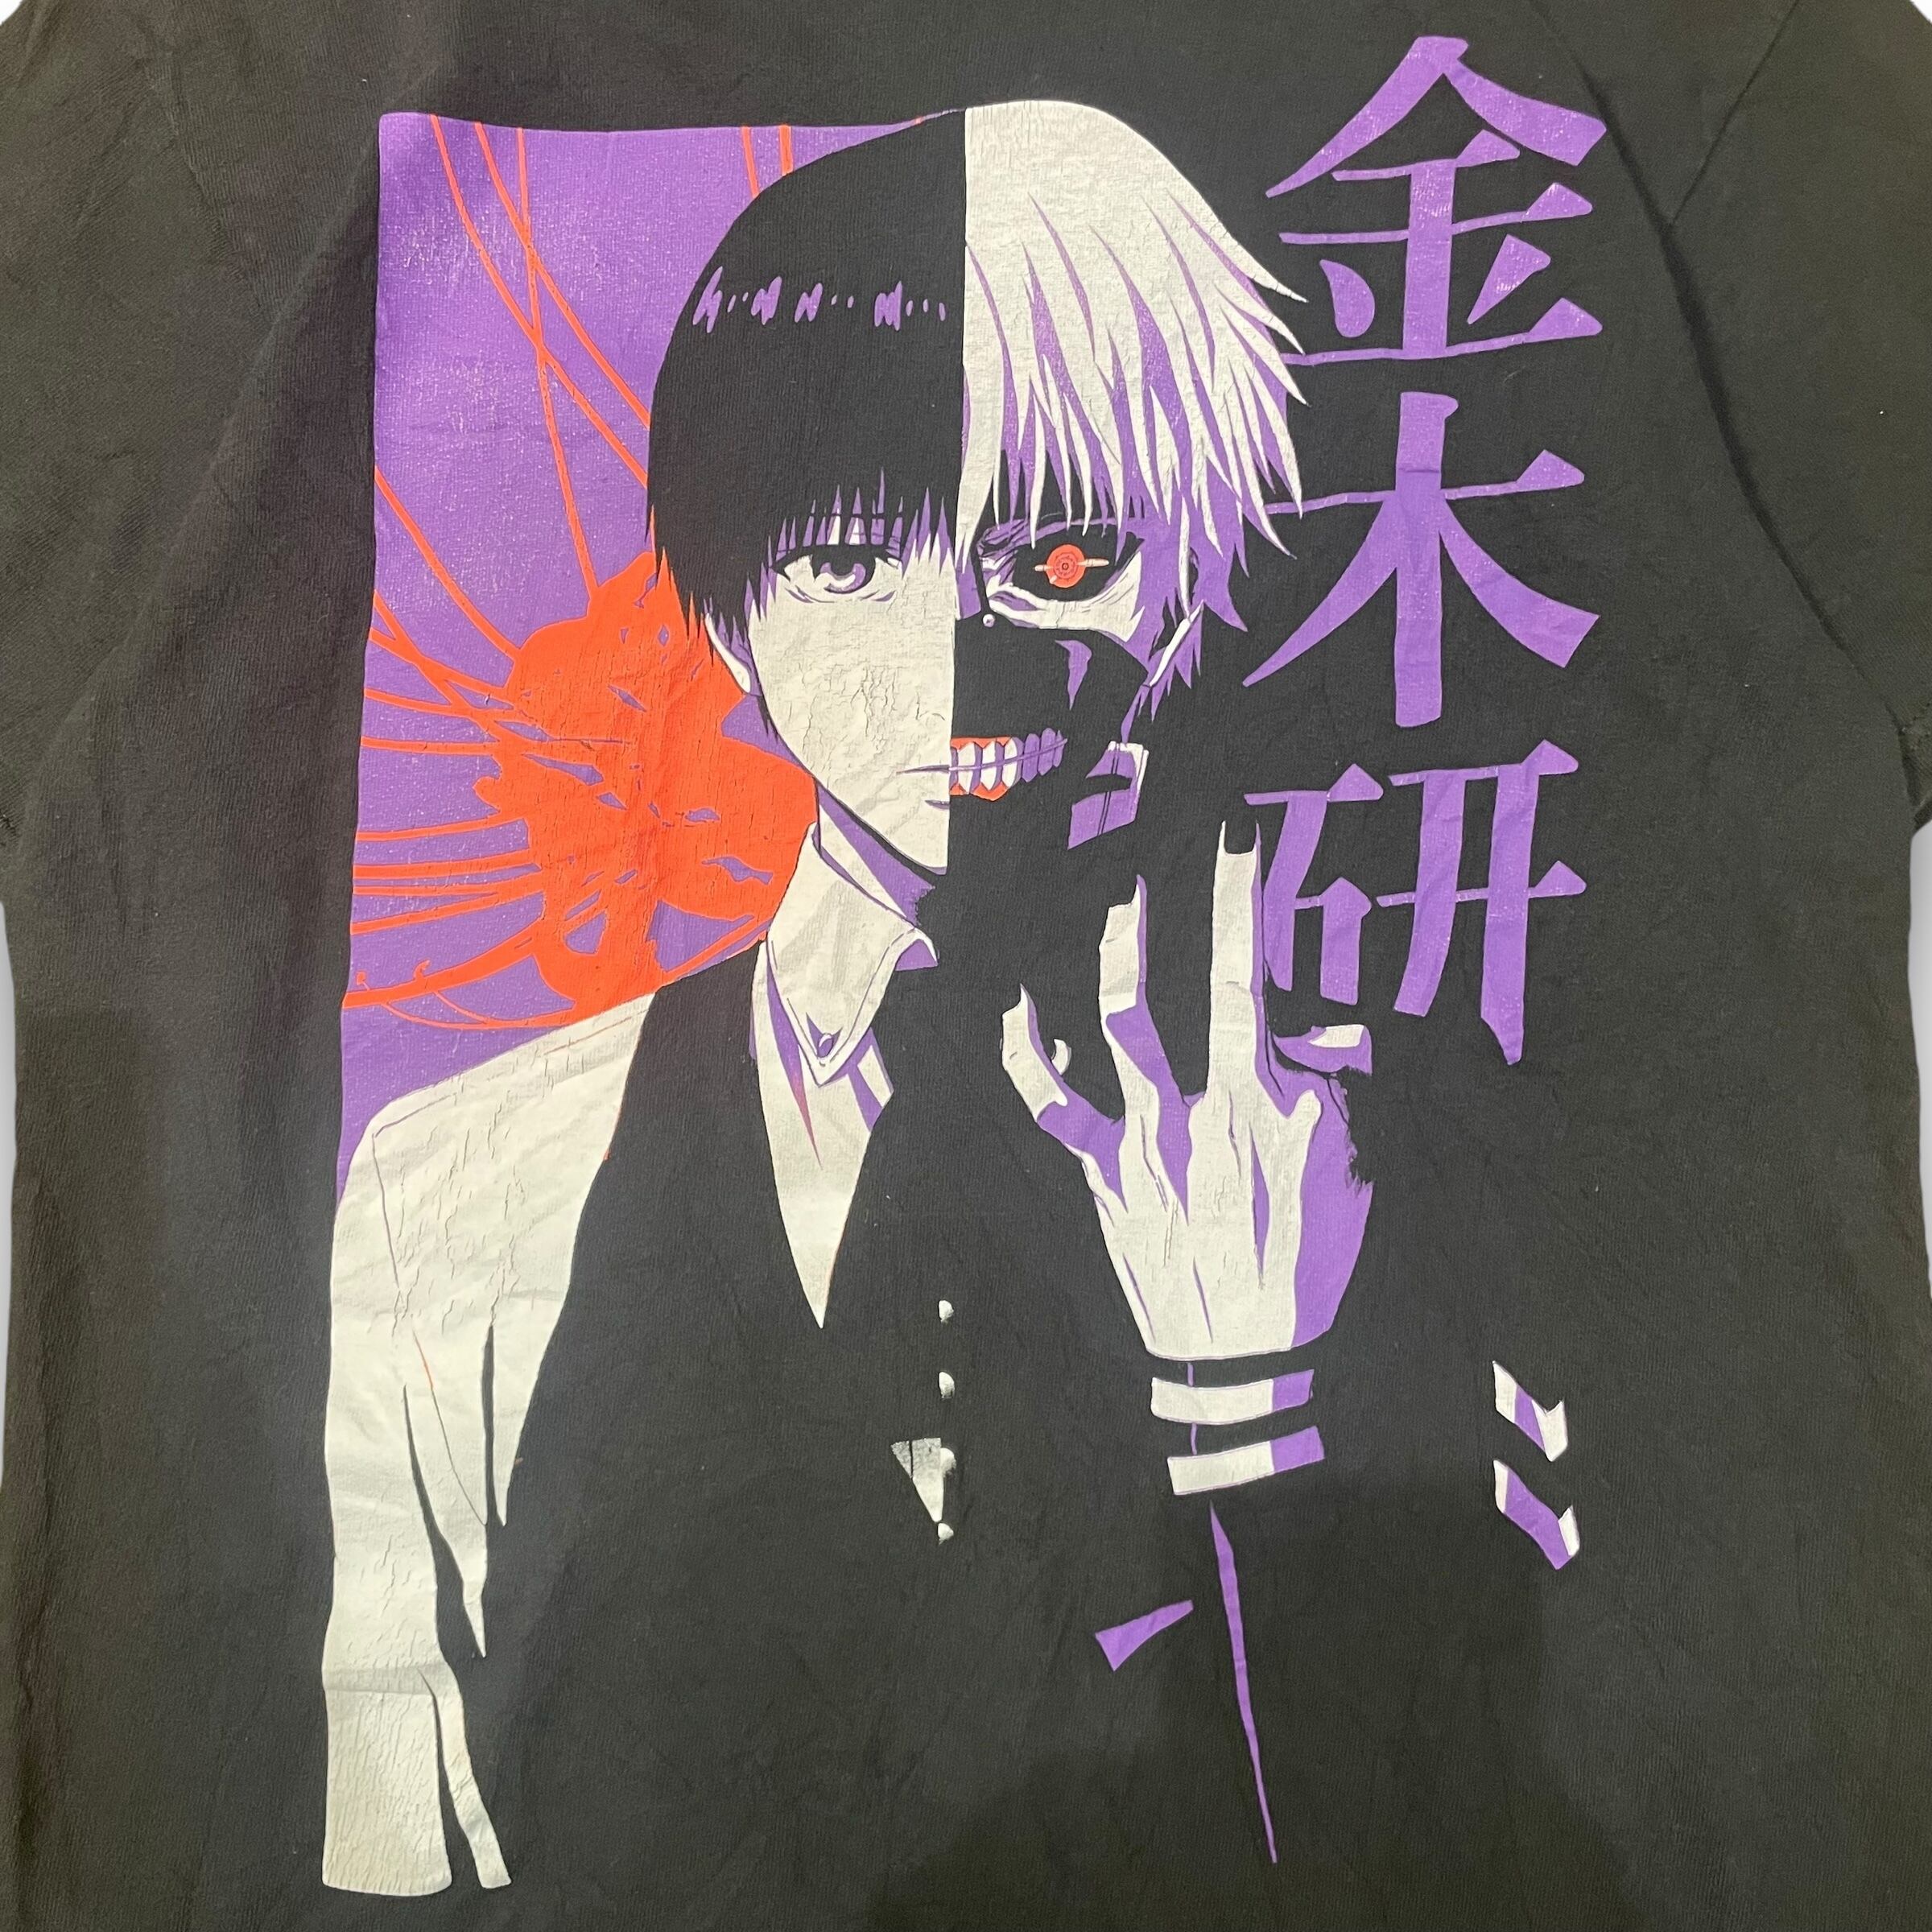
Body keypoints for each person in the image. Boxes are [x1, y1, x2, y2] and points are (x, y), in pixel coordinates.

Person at [320, 101, 1374, 1918]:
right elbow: (392, 1867)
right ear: (728, 614)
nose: (954, 662)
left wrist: (1250, 1403)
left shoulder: (1382, 1147)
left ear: (1194, 567)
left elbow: (1458, 1841)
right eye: (842, 562)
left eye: (1060, 557)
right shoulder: (460, 1189)